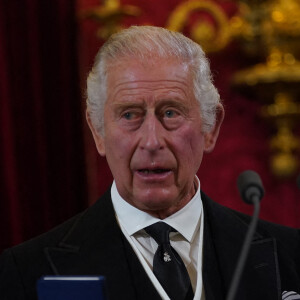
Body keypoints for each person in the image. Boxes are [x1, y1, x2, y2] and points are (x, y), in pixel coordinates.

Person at [0, 26, 299, 300]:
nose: (152, 141)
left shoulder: (292, 256)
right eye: (130, 115)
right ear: (98, 132)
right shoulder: (25, 273)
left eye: (171, 113)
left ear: (210, 128)